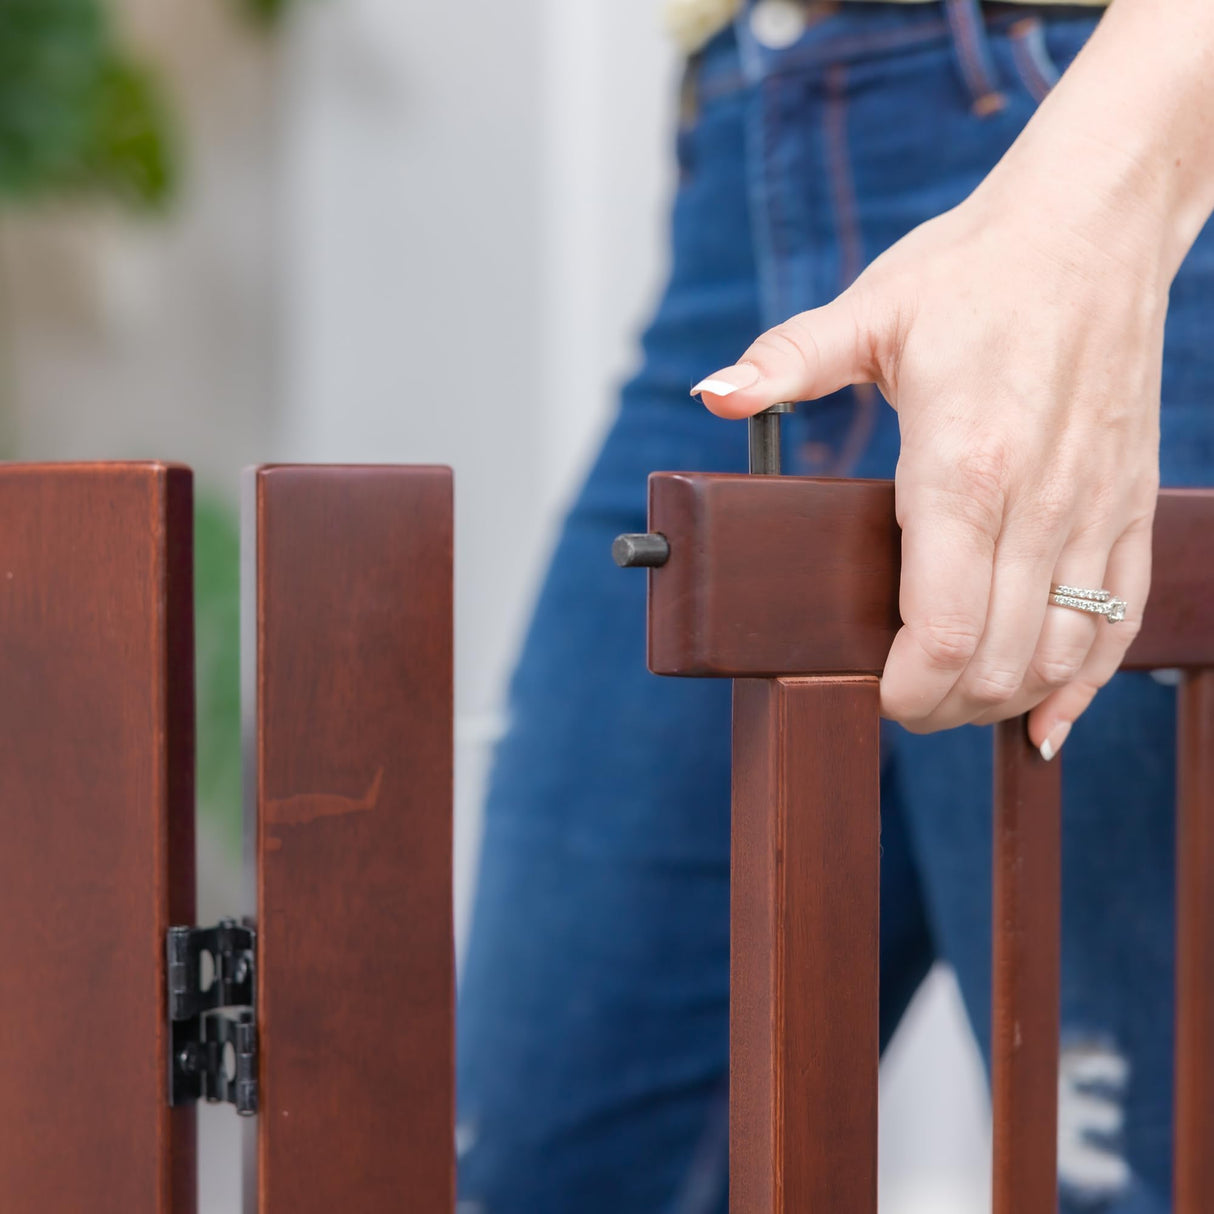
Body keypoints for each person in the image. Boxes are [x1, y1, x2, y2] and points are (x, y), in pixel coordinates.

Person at [457, 1, 1214, 1210]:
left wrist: (1095, 211)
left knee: (1130, 1164)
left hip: (1108, 134)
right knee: (543, 1160)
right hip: (748, 158)